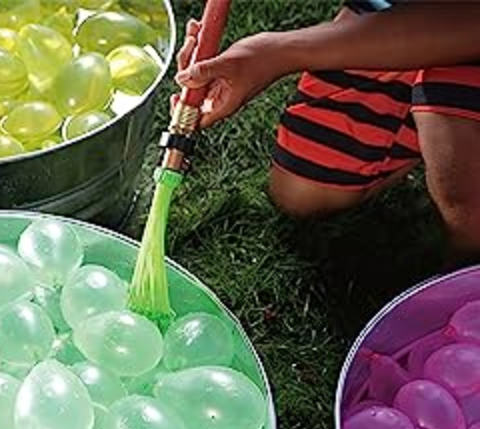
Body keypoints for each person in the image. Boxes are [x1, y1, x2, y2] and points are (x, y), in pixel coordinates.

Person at [174, 1, 480, 257]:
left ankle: (463, 280)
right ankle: (417, 62)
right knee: (304, 191)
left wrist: (278, 53)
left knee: (462, 179)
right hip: (405, 12)